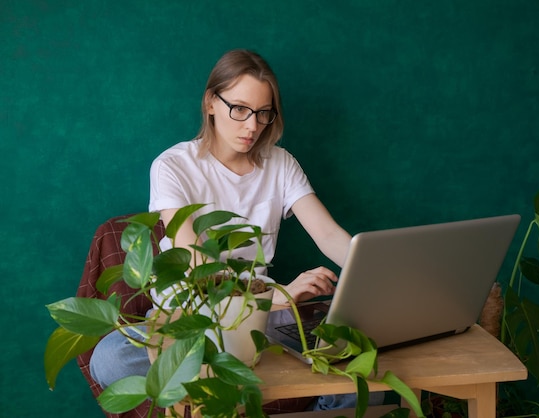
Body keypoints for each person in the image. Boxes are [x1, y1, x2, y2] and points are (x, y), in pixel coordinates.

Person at [90, 48, 382, 410]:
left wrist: (378, 275)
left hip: (261, 318)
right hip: (190, 318)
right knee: (110, 359)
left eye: (263, 113)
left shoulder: (281, 163)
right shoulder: (173, 166)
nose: (252, 126)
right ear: (211, 102)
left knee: (366, 372)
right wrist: (277, 296)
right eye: (240, 109)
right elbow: (196, 261)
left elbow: (328, 235)